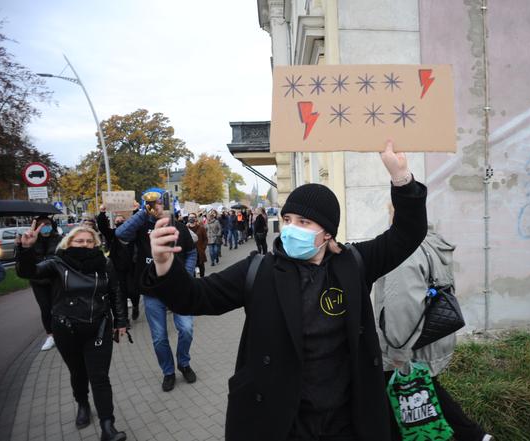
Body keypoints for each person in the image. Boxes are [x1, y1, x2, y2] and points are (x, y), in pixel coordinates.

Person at [141, 141, 427, 441]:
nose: (291, 228)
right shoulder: (259, 270)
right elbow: (194, 297)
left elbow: (407, 234)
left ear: (327, 232)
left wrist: (401, 178)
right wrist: (164, 265)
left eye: (304, 222)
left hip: (345, 421)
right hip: (280, 422)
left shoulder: (353, 263)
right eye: (288, 220)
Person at [375, 226, 494, 441]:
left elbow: (402, 309)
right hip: (431, 340)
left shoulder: (404, 251)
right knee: (424, 392)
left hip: (408, 346)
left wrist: (395, 353)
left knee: (408, 394)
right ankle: (476, 436)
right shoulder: (431, 242)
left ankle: (474, 436)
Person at [16, 223, 128, 441]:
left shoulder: (105, 264)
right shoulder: (57, 263)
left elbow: (115, 292)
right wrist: (26, 249)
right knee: (78, 372)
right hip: (66, 328)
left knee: (100, 377)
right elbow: (29, 272)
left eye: (89, 241)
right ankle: (83, 404)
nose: (85, 245)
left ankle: (108, 426)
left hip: (99, 328)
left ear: (96, 244)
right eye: (79, 241)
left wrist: (121, 321)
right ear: (69, 243)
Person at [115, 188, 198, 392]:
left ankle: (184, 363)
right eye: (153, 203)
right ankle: (168, 372)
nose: (156, 206)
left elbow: (191, 252)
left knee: (186, 329)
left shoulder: (178, 227)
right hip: (152, 291)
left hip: (179, 289)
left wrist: (187, 274)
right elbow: (120, 233)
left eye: (160, 202)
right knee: (159, 337)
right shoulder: (141, 226)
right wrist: (144, 212)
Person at [16, 215, 61, 351]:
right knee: (45, 308)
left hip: (56, 279)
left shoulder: (59, 239)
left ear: (52, 225)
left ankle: (63, 332)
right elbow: (22, 266)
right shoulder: (31, 240)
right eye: (40, 225)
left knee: (59, 307)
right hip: (38, 282)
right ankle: (50, 335)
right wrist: (22, 247)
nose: (44, 227)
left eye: (47, 224)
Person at [97, 207, 140, 322]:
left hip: (132, 268)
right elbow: (102, 227)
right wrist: (102, 213)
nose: (119, 222)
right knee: (121, 294)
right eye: (117, 221)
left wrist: (136, 210)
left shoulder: (134, 235)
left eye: (122, 221)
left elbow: (139, 223)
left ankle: (135, 305)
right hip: (117, 270)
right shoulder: (112, 235)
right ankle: (125, 319)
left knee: (133, 291)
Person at [187, 213, 208, 277]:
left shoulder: (201, 228)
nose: (191, 219)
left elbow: (205, 239)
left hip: (199, 251)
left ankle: (202, 279)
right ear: (188, 219)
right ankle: (194, 281)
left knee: (201, 266)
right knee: (192, 268)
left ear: (196, 218)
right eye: (190, 217)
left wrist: (203, 248)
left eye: (193, 217)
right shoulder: (186, 228)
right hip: (190, 251)